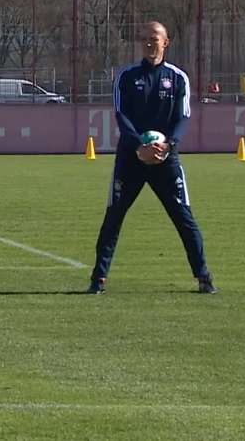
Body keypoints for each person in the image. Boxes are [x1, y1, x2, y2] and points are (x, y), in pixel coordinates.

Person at [87, 21, 216, 295]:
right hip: (131, 159)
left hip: (165, 160)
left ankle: (204, 277)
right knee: (114, 217)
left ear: (165, 42)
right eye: (144, 38)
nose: (149, 43)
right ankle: (98, 280)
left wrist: (168, 145)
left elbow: (183, 117)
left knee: (184, 218)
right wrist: (139, 146)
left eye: (154, 38)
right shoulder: (126, 77)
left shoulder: (178, 78)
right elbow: (121, 116)